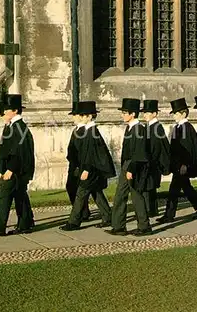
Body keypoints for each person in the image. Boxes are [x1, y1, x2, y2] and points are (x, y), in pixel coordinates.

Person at [0, 95, 35, 236]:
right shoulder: (13, 126)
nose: (4, 113)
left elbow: (18, 152)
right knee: (20, 196)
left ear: (15, 111)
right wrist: (1, 168)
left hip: (15, 170)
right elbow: (5, 150)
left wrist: (10, 169)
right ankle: (26, 224)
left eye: (6, 110)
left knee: (5, 197)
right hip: (11, 169)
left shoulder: (19, 128)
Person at [60, 101, 115, 231]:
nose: (77, 117)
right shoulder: (86, 131)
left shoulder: (92, 132)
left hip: (91, 169)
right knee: (96, 192)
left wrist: (86, 169)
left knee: (81, 193)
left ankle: (74, 222)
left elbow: (93, 155)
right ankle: (107, 216)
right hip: (88, 168)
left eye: (81, 115)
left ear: (89, 117)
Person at [157, 98, 197, 223]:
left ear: (183, 113)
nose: (174, 116)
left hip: (182, 165)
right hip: (178, 165)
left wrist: (186, 165)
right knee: (186, 188)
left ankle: (169, 215)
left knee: (174, 190)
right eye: (174, 113)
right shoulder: (179, 127)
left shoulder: (186, 128)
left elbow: (188, 148)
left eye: (176, 113)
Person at [108, 98, 152, 236]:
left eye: (125, 112)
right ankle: (119, 226)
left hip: (135, 165)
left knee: (136, 195)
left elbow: (139, 151)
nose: (123, 115)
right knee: (121, 195)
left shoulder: (139, 129)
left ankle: (144, 226)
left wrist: (131, 169)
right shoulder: (130, 128)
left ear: (133, 114)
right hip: (128, 164)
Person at [141, 99, 170, 217]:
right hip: (151, 160)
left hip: (153, 161)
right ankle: (152, 209)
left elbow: (157, 146)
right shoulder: (149, 126)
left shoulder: (157, 127)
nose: (145, 115)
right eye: (144, 113)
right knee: (149, 186)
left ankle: (149, 210)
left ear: (154, 114)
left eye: (147, 113)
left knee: (149, 186)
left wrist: (150, 160)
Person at [66, 102, 92, 221]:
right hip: (73, 163)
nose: (73, 118)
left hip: (79, 164)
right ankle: (83, 211)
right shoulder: (77, 130)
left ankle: (81, 213)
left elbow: (84, 150)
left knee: (76, 189)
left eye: (75, 115)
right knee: (72, 187)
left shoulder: (84, 131)